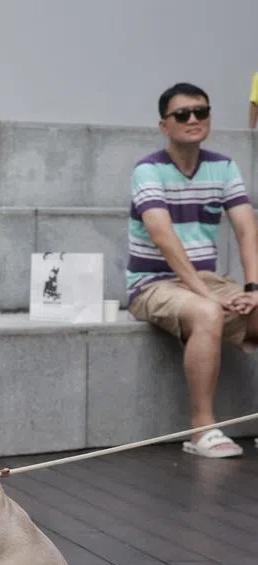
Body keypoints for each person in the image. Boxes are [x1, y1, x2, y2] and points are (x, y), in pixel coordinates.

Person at [126, 83, 258, 458]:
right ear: (164, 125)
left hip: (208, 280)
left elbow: (247, 229)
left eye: (201, 111)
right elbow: (162, 236)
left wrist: (252, 287)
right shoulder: (148, 170)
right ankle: (202, 430)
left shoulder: (223, 166)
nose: (194, 119)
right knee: (208, 311)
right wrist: (206, 294)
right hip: (152, 284)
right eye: (182, 114)